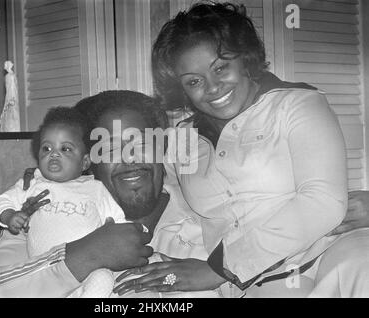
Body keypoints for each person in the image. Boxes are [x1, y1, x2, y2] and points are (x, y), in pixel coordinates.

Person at [113, 2, 369, 297]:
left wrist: (218, 269)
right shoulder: (182, 138)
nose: (213, 87)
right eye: (194, 81)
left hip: (329, 250)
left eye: (221, 67)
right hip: (256, 281)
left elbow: (322, 200)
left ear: (245, 59)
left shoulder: (297, 104)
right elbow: (151, 182)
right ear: (181, 89)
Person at [0, 90, 218, 298]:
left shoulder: (209, 214)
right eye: (110, 148)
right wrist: (79, 258)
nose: (130, 157)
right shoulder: (41, 210)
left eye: (143, 143)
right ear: (87, 161)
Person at [0, 107, 127, 297]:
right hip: (44, 273)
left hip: (86, 272)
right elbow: (3, 201)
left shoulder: (95, 189)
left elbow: (119, 222)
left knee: (104, 278)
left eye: (65, 149)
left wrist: (115, 233)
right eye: (46, 148)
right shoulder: (33, 183)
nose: (54, 154)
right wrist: (10, 216)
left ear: (85, 162)